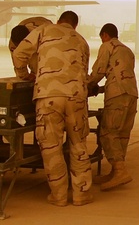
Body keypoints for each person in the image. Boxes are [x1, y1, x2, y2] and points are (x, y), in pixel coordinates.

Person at [12, 11, 93, 206]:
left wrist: (24, 75)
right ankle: (81, 194)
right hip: (76, 98)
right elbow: (84, 72)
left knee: (51, 146)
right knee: (78, 144)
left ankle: (59, 195)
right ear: (74, 26)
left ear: (59, 21)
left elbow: (19, 54)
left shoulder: (44, 30)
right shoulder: (82, 41)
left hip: (48, 96)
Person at [88, 23, 138, 191]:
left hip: (117, 95)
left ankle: (120, 171)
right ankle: (115, 172)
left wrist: (87, 85)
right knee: (122, 133)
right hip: (131, 94)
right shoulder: (127, 50)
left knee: (108, 132)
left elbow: (98, 72)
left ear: (105, 35)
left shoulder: (107, 46)